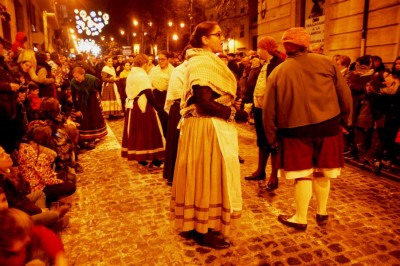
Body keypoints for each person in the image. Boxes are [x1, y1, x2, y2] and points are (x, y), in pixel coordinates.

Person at [263, 27, 352, 230]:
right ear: (306, 43)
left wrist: (271, 137)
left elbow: (269, 109)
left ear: (286, 46)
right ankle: (322, 212)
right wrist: (345, 120)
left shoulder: (278, 72)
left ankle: (300, 217)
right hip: (328, 127)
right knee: (322, 172)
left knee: (303, 175)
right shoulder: (327, 62)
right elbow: (345, 95)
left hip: (295, 131)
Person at [170, 21, 242, 249]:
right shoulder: (201, 62)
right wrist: (232, 111)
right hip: (205, 127)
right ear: (204, 39)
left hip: (204, 127)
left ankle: (195, 224)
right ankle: (202, 229)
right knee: (205, 176)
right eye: (218, 35)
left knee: (201, 176)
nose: (222, 38)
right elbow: (203, 102)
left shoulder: (204, 60)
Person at [245, 36, 284, 193]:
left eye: (260, 48)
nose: (258, 51)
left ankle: (274, 176)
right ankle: (260, 171)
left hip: (271, 110)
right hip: (260, 108)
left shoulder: (278, 64)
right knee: (262, 141)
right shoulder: (265, 64)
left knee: (273, 143)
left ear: (266, 49)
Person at [121, 54, 166, 167]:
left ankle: (141, 157)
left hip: (134, 106)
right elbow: (148, 93)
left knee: (137, 131)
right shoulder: (141, 75)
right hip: (143, 106)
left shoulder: (132, 73)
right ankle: (152, 157)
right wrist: (158, 108)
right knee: (148, 131)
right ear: (144, 64)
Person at [0, 208, 68, 266]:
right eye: (22, 238)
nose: (28, 239)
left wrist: (58, 256)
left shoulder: (16, 240)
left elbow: (41, 232)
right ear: (6, 243)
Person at [71, 67, 108, 148]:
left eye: (77, 77)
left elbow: (98, 89)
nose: (76, 79)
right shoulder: (73, 82)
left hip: (92, 102)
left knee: (93, 118)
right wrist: (77, 109)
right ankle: (83, 138)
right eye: (74, 77)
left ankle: (93, 137)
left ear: (83, 74)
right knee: (82, 120)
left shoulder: (92, 80)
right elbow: (73, 96)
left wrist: (97, 100)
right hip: (80, 102)